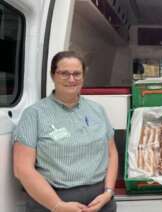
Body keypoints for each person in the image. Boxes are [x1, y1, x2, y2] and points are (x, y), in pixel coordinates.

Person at [13, 51, 118, 212]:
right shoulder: (34, 114)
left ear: (83, 77)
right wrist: (57, 205)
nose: (71, 79)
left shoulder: (97, 110)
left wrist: (109, 192)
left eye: (77, 74)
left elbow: (111, 153)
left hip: (100, 201)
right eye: (64, 73)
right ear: (53, 75)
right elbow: (22, 169)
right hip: (51, 201)